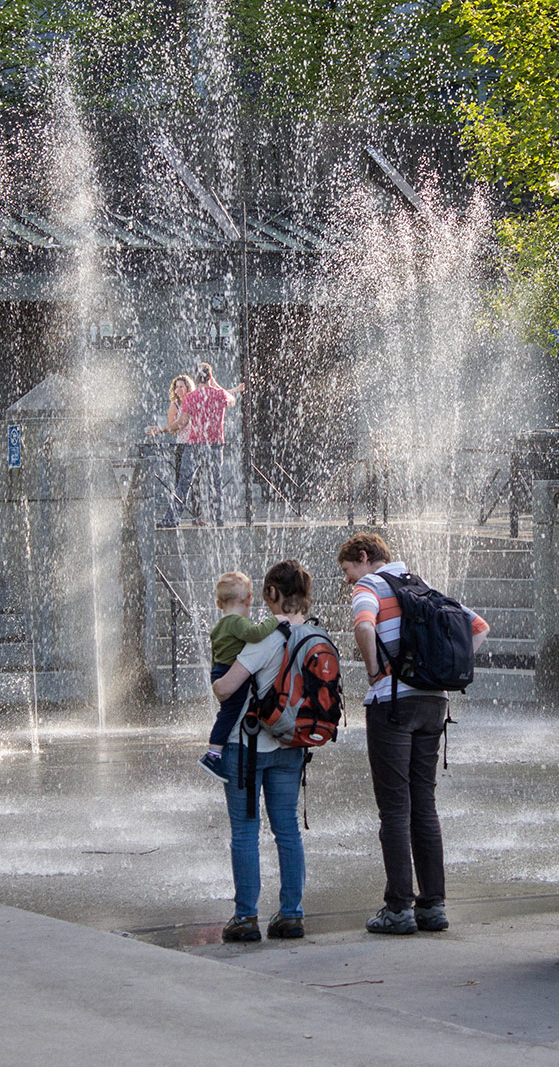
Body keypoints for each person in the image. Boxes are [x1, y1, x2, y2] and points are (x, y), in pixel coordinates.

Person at [338, 531, 489, 935]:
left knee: (394, 807)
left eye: (349, 572)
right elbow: (478, 628)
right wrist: (435, 672)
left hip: (392, 705)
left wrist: (374, 674)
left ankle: (398, 908)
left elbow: (364, 627)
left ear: (365, 558)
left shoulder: (370, 586)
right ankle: (433, 906)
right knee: (424, 803)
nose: (350, 582)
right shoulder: (422, 585)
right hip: (434, 703)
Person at [209, 559, 312, 942]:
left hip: (246, 746)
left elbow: (225, 689)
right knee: (287, 831)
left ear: (271, 594)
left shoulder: (266, 636)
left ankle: (246, 916)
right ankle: (292, 914)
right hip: (291, 744)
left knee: (245, 832)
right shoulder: (312, 633)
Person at [199, 570, 279, 781]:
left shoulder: (220, 625)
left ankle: (215, 752)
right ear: (249, 600)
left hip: (219, 670)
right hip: (228, 669)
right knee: (230, 712)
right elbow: (255, 634)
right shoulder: (237, 622)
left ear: (218, 604)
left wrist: (215, 677)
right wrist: (275, 621)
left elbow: (214, 654)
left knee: (228, 712)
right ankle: (213, 755)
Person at [165, 362, 241, 527]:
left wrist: (164, 429)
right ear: (210, 377)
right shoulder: (220, 394)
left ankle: (171, 519)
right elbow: (233, 400)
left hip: (194, 445)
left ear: (196, 378)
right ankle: (217, 519)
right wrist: (216, 385)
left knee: (184, 483)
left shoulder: (191, 397)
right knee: (216, 482)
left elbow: (182, 422)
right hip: (215, 444)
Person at [149, 374, 198, 527]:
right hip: (183, 446)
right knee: (182, 483)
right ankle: (174, 518)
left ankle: (196, 516)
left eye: (181, 386)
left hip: (197, 445)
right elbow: (173, 429)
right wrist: (174, 425)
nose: (178, 390)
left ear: (188, 387)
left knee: (196, 484)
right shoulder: (175, 406)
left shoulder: (195, 401)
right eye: (176, 387)